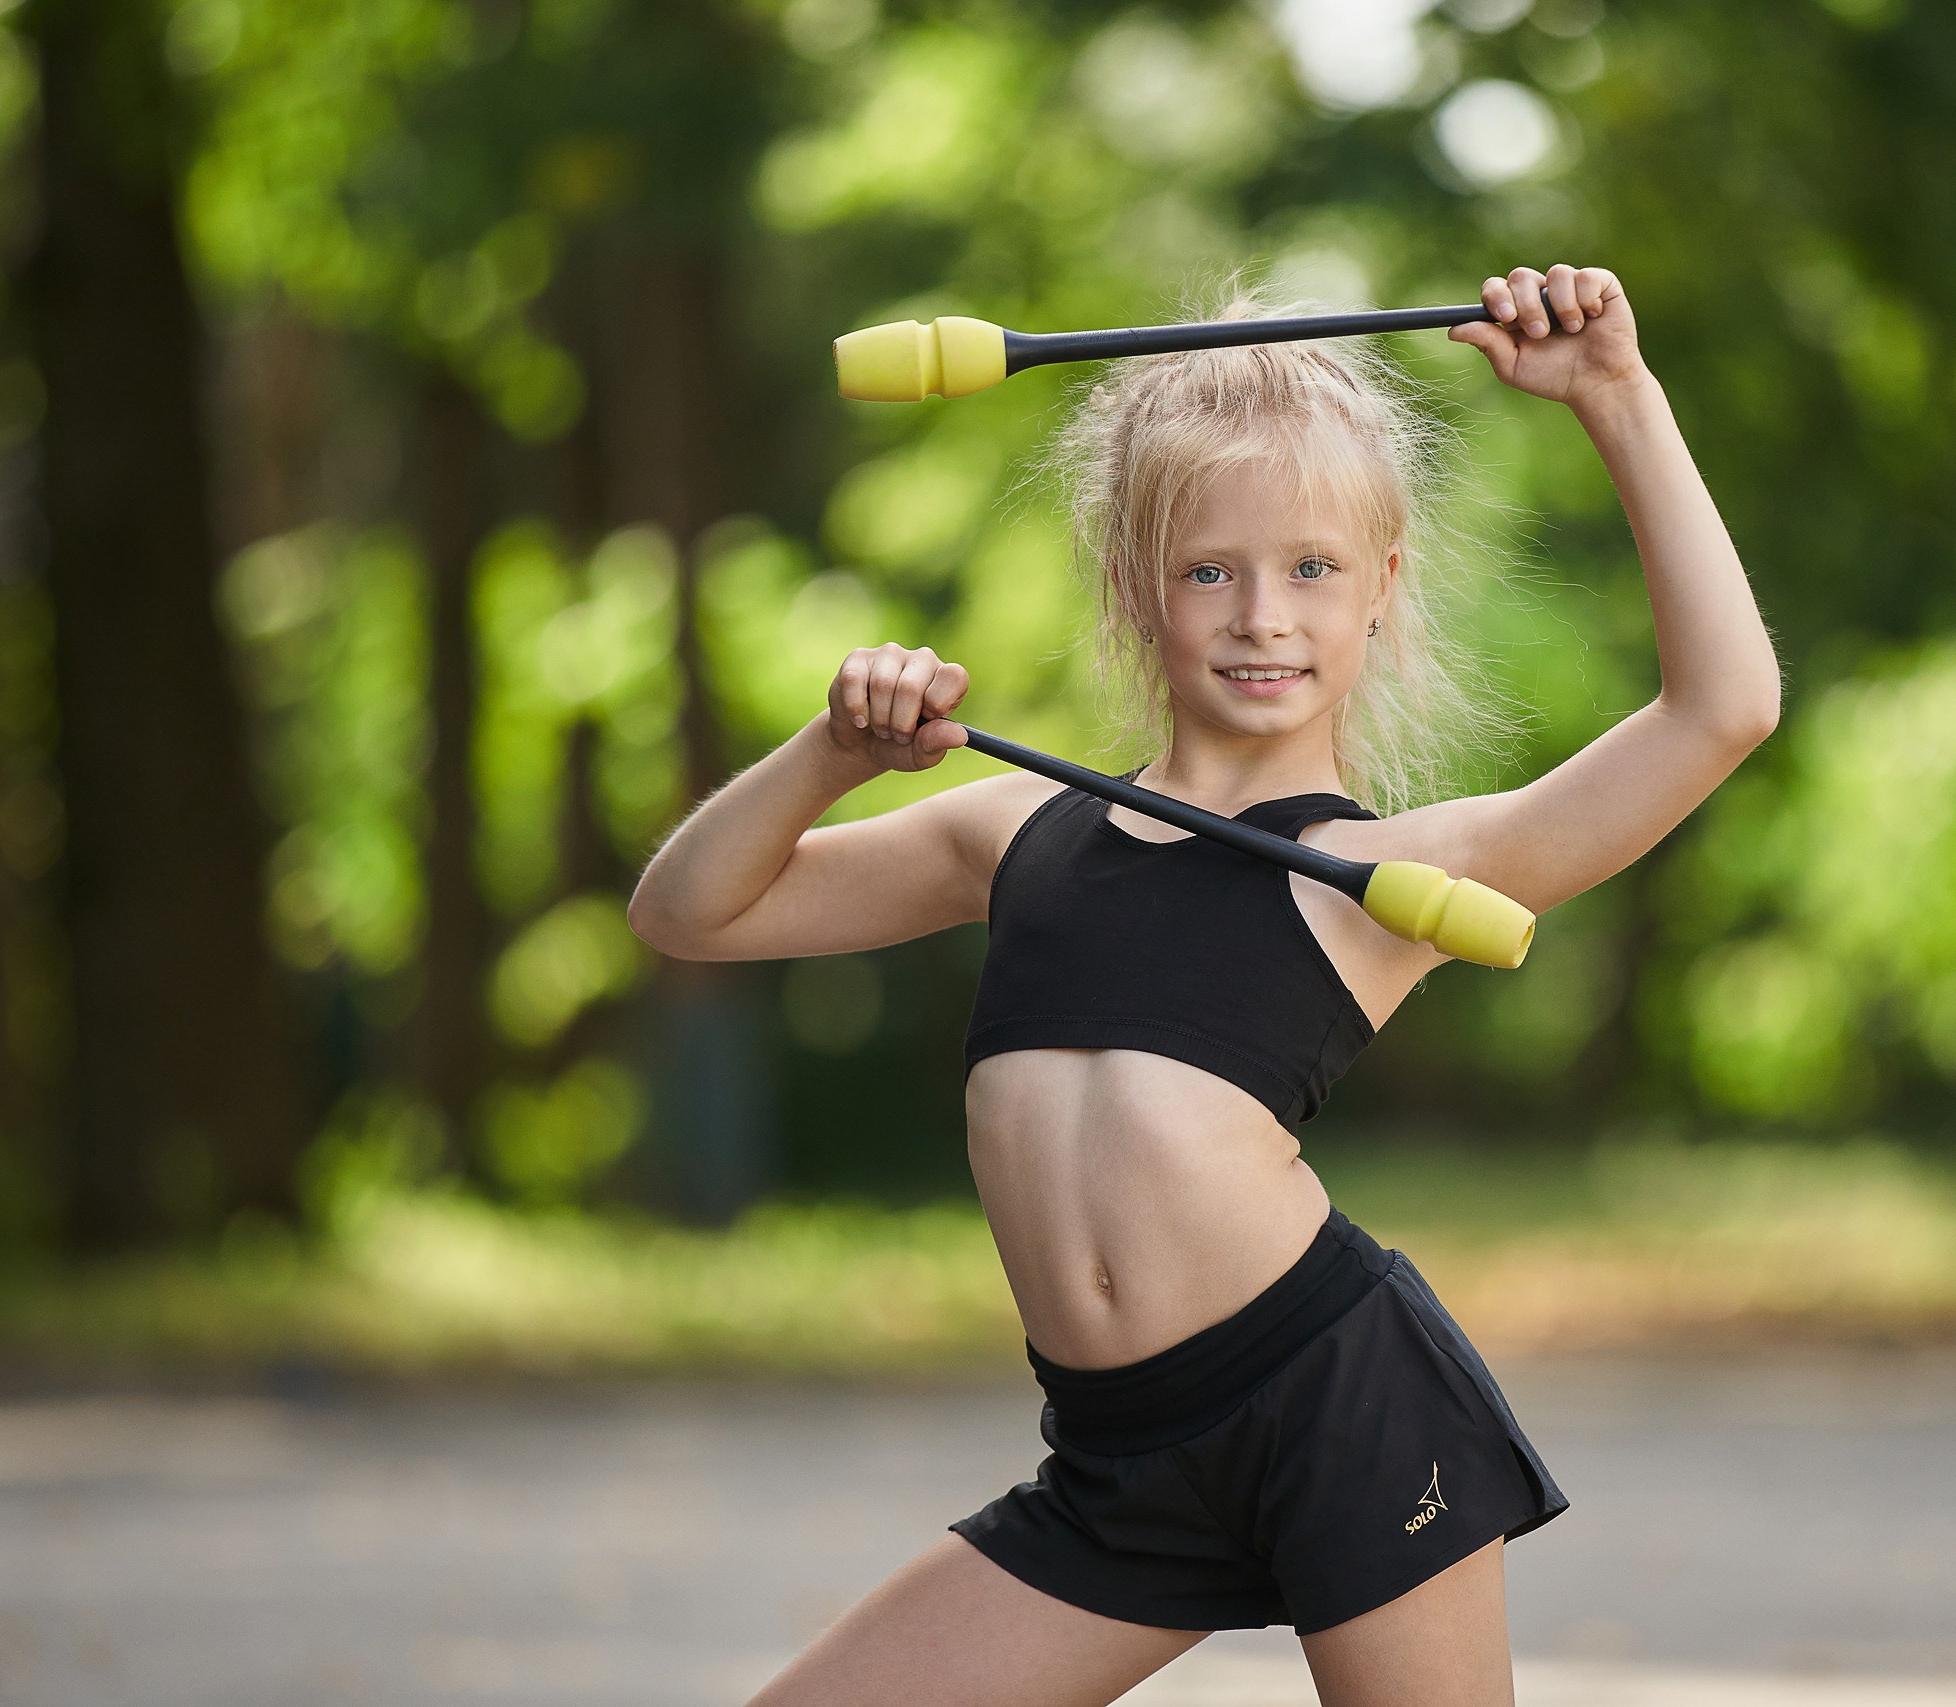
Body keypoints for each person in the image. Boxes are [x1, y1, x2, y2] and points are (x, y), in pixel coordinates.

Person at [626, 262, 1781, 1707]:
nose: (1262, 618)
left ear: (1381, 593)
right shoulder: (1008, 832)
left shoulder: (1385, 880)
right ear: (1134, 587)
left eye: (1313, 570)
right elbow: (688, 915)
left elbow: (1722, 709)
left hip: (1345, 1415)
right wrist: (829, 757)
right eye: (1209, 570)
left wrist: (1618, 399)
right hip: (1117, 1465)